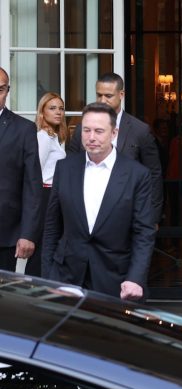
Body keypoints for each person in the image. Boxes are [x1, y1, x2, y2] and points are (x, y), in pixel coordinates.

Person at [42, 102, 156, 299]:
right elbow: (52, 226)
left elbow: (143, 232)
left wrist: (135, 278)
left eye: (99, 131)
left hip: (116, 279)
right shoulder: (65, 168)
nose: (91, 137)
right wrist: (47, 276)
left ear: (114, 133)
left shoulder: (137, 174)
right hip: (66, 277)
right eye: (86, 130)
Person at [67, 72, 163, 226]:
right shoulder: (82, 129)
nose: (102, 100)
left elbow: (153, 174)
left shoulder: (140, 130)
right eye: (99, 95)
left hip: (129, 215)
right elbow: (70, 167)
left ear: (121, 95)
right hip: (87, 213)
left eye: (108, 96)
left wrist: (152, 217)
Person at [0, 67, 43, 272]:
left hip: (5, 233)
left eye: (0, 89)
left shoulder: (24, 129)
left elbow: (32, 184)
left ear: (8, 91)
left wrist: (28, 233)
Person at [25, 92, 67, 276]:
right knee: (43, 245)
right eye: (52, 108)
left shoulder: (54, 137)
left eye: (61, 108)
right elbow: (35, 172)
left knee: (50, 244)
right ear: (42, 112)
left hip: (53, 195)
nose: (58, 112)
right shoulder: (43, 137)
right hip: (45, 195)